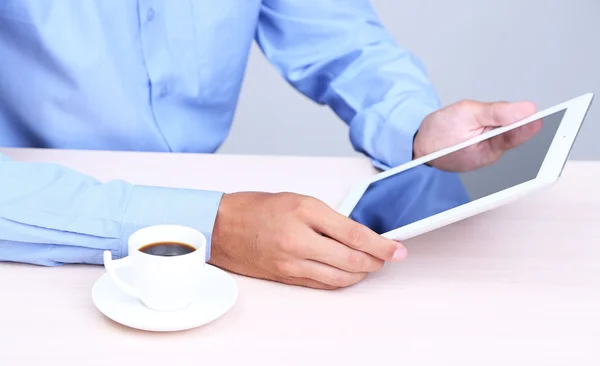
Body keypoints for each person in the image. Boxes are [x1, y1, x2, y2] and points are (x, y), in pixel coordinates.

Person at [0, 1, 538, 290]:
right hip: (34, 240)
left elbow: (342, 41)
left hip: (205, 252)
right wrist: (210, 227)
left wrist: (417, 128)